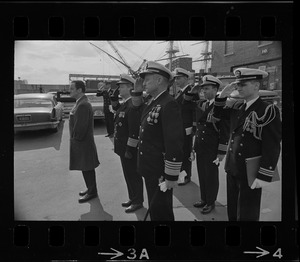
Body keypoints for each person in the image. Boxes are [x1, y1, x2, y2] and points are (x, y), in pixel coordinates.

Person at [213, 68, 282, 221]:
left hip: (250, 172)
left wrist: (264, 175)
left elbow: (272, 145)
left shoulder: (267, 110)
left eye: (243, 84)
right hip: (233, 168)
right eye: (237, 85)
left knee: (247, 215)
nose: (238, 88)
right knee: (232, 213)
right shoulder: (238, 107)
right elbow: (217, 115)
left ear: (256, 86)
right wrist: (223, 94)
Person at [136, 61, 184, 221]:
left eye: (147, 80)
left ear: (159, 80)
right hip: (150, 167)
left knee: (161, 212)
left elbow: (174, 142)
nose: (144, 83)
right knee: (155, 208)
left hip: (159, 171)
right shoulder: (153, 101)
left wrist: (170, 176)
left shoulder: (168, 104)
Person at [192, 75, 230, 214]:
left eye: (207, 89)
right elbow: (200, 127)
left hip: (212, 148)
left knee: (211, 176)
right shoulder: (204, 104)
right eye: (203, 89)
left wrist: (221, 152)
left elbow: (225, 130)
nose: (204, 92)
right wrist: (194, 147)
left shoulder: (222, 106)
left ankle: (210, 202)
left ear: (215, 89)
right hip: (201, 146)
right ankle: (204, 198)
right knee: (202, 174)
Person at [113, 74, 144, 213]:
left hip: (129, 149)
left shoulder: (133, 105)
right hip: (122, 148)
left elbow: (134, 131)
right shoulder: (126, 103)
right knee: (128, 175)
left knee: (133, 175)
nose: (119, 89)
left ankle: (138, 201)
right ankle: (132, 197)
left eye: (122, 86)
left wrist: (130, 150)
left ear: (131, 87)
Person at [69, 80, 100, 203]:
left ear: (79, 90)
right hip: (81, 142)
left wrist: (75, 139)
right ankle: (90, 188)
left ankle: (92, 192)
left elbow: (80, 128)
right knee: (85, 167)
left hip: (82, 142)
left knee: (87, 167)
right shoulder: (80, 102)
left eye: (72, 88)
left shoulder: (82, 105)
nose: (69, 90)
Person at [173, 68, 194, 185]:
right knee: (180, 152)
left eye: (179, 78)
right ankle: (181, 174)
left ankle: (186, 176)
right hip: (179, 127)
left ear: (186, 78)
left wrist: (192, 127)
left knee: (186, 153)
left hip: (186, 128)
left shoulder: (190, 91)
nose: (176, 80)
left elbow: (193, 111)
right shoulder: (180, 92)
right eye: (175, 78)